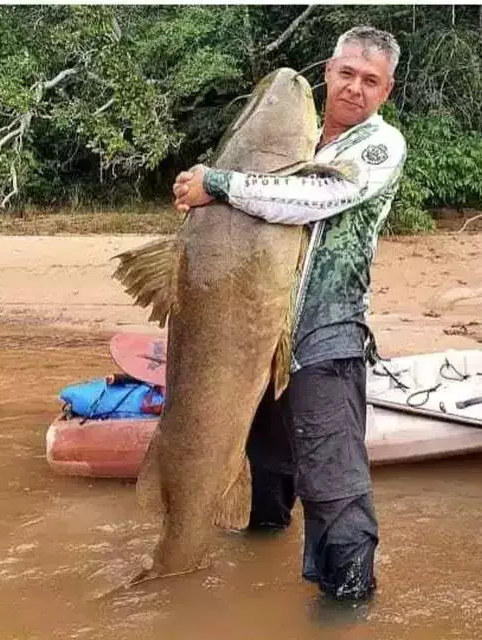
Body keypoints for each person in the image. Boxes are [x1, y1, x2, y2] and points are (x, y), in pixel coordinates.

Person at [172, 25, 407, 602]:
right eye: (347, 73)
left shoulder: (378, 147)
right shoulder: (300, 144)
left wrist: (218, 182)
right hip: (256, 336)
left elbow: (310, 199)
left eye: (370, 80)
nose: (355, 87)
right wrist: (194, 190)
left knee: (334, 481)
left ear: (387, 90)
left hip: (325, 336)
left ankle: (349, 601)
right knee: (268, 470)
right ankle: (256, 556)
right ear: (328, 71)